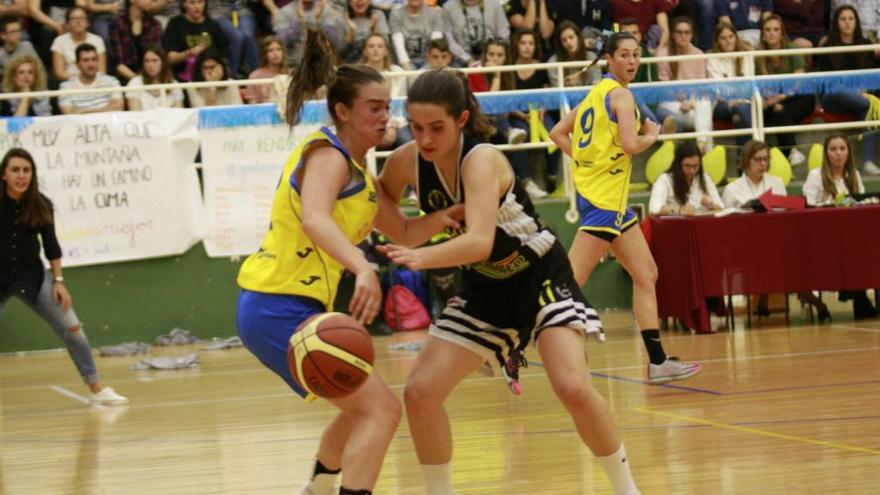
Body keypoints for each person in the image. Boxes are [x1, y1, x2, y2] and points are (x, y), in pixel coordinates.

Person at [377, 68, 640, 495]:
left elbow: (480, 241)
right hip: (483, 290)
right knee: (420, 392)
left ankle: (628, 490)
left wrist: (418, 253)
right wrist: (397, 226)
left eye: (436, 128)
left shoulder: (481, 160)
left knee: (573, 387)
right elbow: (378, 201)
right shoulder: (404, 161)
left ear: (462, 120)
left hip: (538, 276)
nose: (424, 139)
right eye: (416, 126)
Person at [236, 29, 458, 495]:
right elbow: (315, 217)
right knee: (381, 410)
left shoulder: (358, 173)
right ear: (343, 111)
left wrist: (449, 216)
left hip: (295, 307)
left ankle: (316, 488)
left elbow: (404, 231)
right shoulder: (328, 156)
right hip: (276, 303)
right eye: (374, 108)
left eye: (387, 106)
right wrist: (360, 266)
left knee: (363, 406)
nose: (386, 116)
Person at [549, 32, 702, 384]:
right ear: (608, 59)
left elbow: (558, 133)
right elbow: (632, 144)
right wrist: (652, 135)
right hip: (604, 203)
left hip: (611, 202)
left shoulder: (594, 95)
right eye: (624, 55)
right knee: (567, 284)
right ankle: (510, 341)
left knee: (646, 274)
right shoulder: (620, 95)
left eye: (636, 55)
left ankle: (658, 361)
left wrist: (589, 161)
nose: (632, 61)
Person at [1, 148, 129, 406]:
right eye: (15, 170)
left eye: (27, 170)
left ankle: (96, 389)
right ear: (4, 174)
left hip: (33, 279)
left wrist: (58, 282)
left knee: (73, 328)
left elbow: (51, 247)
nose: (21, 176)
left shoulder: (42, 204)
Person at [802, 133, 872, 319]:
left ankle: (860, 295)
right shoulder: (815, 175)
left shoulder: (854, 174)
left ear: (848, 152)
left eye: (842, 149)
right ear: (826, 153)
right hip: (823, 235)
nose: (838, 154)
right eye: (833, 149)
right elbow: (807, 206)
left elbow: (861, 203)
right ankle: (858, 295)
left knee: (866, 245)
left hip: (850, 234)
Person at [816, 5, 880, 176]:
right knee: (842, 90)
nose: (847, 23)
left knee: (867, 107)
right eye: (843, 19)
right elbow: (824, 82)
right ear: (836, 22)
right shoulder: (827, 46)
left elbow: (873, 77)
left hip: (859, 99)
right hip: (833, 98)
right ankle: (871, 104)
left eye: (851, 19)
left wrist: (864, 88)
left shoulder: (865, 45)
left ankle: (867, 162)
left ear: (856, 22)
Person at [756, 14, 815, 166]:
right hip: (770, 102)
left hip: (794, 98)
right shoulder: (757, 55)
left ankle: (782, 159)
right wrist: (770, 99)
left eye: (776, 29)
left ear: (782, 33)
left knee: (804, 97)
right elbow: (757, 85)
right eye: (767, 30)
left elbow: (798, 80)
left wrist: (780, 97)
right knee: (778, 111)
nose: (771, 33)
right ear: (762, 34)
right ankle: (791, 152)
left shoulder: (791, 49)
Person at [655, 16, 713, 151]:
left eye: (687, 32)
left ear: (692, 35)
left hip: (693, 102)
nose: (683, 36)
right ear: (673, 34)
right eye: (679, 32)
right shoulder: (663, 54)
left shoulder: (699, 54)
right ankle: (705, 151)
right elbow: (664, 86)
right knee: (704, 119)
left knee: (704, 102)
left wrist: (691, 102)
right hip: (670, 101)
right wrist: (682, 101)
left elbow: (701, 86)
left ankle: (701, 144)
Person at [708, 22, 754, 146]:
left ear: (736, 37)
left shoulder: (746, 56)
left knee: (739, 117)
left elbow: (749, 84)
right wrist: (734, 98)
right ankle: (759, 145)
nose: (728, 41)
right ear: (717, 41)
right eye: (723, 38)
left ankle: (742, 157)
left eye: (730, 37)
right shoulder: (712, 58)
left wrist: (737, 97)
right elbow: (718, 89)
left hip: (744, 103)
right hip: (721, 105)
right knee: (741, 108)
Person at [648, 141, 722, 216]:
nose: (691, 170)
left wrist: (711, 205)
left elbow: (721, 207)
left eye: (695, 166)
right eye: (687, 166)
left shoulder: (705, 178)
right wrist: (679, 210)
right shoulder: (665, 179)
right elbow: (654, 209)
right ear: (678, 164)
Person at [161, 0, 229, 82]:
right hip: (182, 77)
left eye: (200, 2)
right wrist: (190, 53)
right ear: (184, 4)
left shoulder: (213, 25)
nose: (197, 7)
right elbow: (170, 58)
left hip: (211, 76)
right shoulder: (175, 24)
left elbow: (224, 56)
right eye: (192, 2)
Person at [59, 43, 124, 114]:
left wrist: (81, 111)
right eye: (85, 60)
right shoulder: (66, 87)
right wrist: (106, 108)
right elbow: (69, 115)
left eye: (94, 59)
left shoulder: (111, 81)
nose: (91, 64)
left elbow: (118, 108)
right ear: (77, 64)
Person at [108, 0, 163, 82]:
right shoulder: (117, 24)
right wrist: (137, 81)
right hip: (125, 77)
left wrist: (146, 81)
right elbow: (118, 63)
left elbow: (156, 56)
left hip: (150, 76)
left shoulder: (154, 24)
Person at [721, 140, 785, 209]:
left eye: (765, 159)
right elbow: (726, 217)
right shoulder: (731, 189)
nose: (763, 164)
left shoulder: (777, 182)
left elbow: (786, 213)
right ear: (746, 160)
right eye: (757, 159)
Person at [51, 7, 108, 82]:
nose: (78, 21)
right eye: (74, 18)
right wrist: (81, 79)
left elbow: (102, 71)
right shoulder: (59, 41)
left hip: (95, 82)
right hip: (70, 83)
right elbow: (59, 73)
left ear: (88, 23)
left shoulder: (97, 40)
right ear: (67, 24)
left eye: (82, 18)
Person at [125, 45, 185, 110]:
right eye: (146, 61)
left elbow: (179, 113)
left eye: (154, 60)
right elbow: (135, 114)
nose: (150, 65)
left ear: (163, 63)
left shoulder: (174, 85)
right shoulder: (135, 83)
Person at [547, 20, 599, 88]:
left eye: (571, 37)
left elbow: (597, 84)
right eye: (564, 40)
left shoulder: (592, 57)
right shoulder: (553, 61)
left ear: (579, 38)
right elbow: (557, 90)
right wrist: (566, 84)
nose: (568, 42)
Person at [245, 35, 289, 104]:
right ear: (264, 54)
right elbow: (252, 105)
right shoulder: (255, 76)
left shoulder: (291, 74)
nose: (275, 53)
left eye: (279, 49)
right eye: (270, 50)